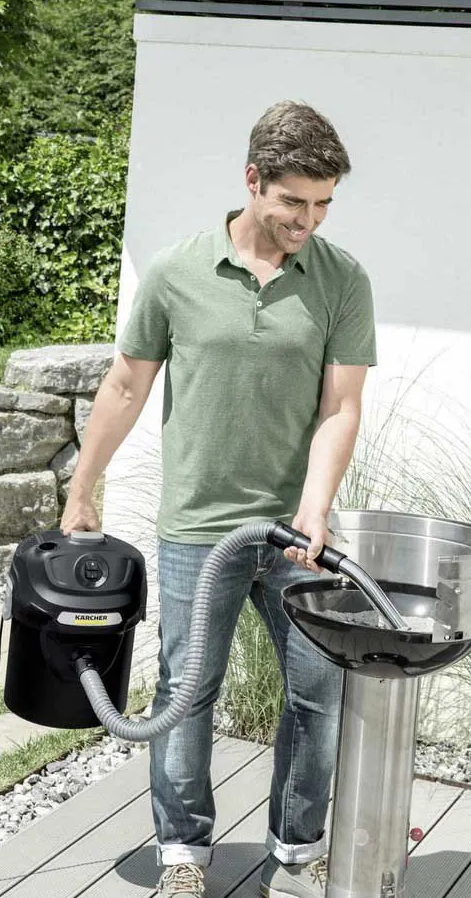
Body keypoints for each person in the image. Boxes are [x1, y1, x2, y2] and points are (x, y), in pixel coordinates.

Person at [60, 101, 377, 898]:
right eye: (294, 201)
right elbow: (125, 386)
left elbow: (341, 406)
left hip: (297, 534)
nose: (309, 220)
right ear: (252, 180)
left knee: (317, 695)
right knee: (186, 694)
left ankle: (296, 857)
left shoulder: (341, 280)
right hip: (199, 530)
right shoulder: (177, 272)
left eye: (324, 204)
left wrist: (315, 507)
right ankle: (183, 855)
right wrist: (82, 487)